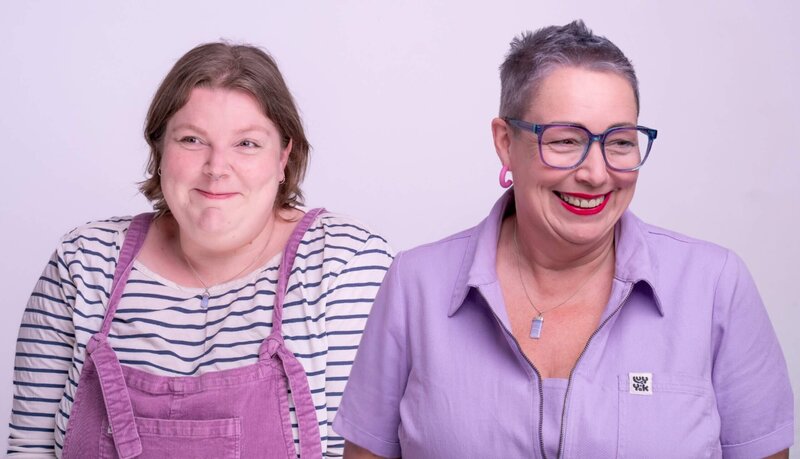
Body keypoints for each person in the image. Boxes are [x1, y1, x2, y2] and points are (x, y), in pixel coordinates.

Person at [335, 20, 793, 459]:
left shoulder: (715, 286)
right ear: (505, 142)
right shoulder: (415, 286)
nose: (596, 174)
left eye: (620, 141)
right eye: (565, 140)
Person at [8, 42, 393, 458]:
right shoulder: (84, 264)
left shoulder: (343, 265)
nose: (216, 167)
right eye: (192, 139)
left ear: (284, 156)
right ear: (159, 151)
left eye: (247, 143)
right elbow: (29, 448)